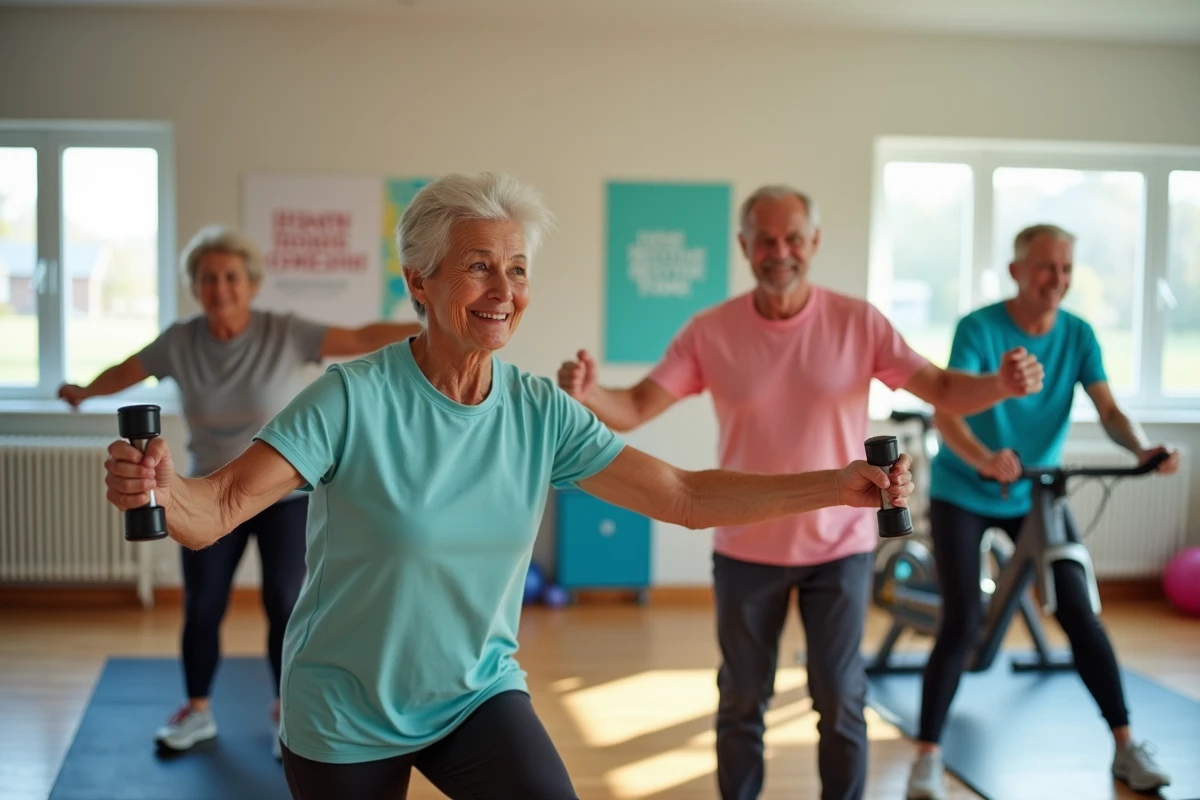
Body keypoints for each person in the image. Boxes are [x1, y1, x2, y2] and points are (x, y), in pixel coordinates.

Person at [102, 172, 917, 800]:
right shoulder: (353, 398)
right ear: (419, 282)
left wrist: (837, 485)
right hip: (346, 707)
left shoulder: (538, 411)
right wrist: (162, 488)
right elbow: (217, 510)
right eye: (479, 268)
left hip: (473, 693)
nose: (504, 292)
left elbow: (684, 496)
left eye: (518, 270)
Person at [557, 185, 1045, 800]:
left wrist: (1000, 385)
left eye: (793, 238)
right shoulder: (711, 331)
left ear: (813, 242)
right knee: (742, 700)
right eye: (765, 240)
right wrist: (590, 394)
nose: (779, 251)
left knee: (840, 700)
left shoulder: (858, 322)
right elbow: (632, 406)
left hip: (838, 547)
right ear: (744, 247)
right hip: (745, 546)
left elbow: (943, 390)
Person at [61, 225, 422, 758]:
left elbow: (359, 337)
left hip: (283, 494)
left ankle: (285, 712)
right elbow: (128, 370)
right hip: (205, 493)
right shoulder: (180, 341)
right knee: (203, 606)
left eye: (231, 277)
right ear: (195, 287)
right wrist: (84, 391)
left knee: (285, 603)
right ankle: (197, 711)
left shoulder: (284, 331)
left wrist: (433, 322)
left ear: (251, 283)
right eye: (208, 278)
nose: (220, 288)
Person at [905, 223, 1180, 800]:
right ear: (1017, 271)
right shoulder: (979, 328)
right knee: (961, 621)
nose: (1058, 279)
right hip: (965, 487)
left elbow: (1109, 410)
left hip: (1036, 490)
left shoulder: (1078, 335)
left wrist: (1140, 448)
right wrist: (983, 459)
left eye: (1066, 268)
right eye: (1046, 267)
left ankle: (1126, 745)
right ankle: (927, 755)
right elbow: (947, 409)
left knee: (1079, 613)